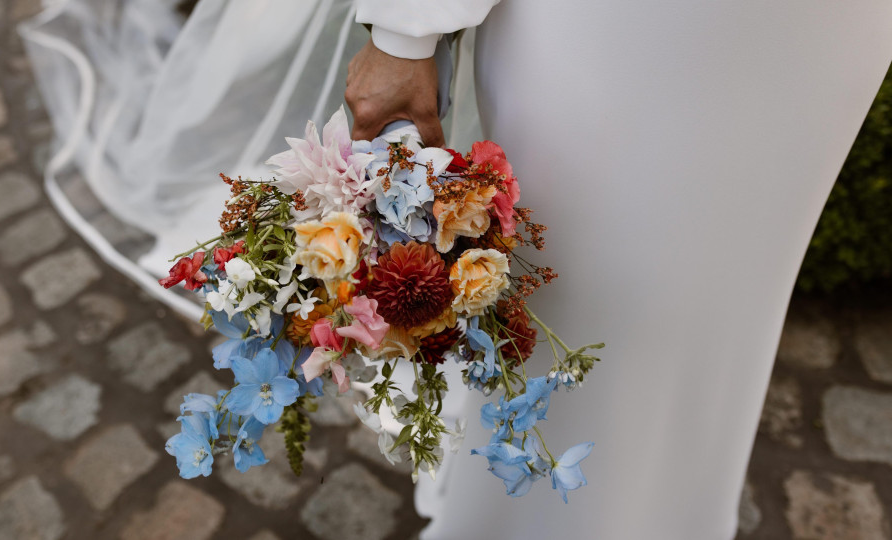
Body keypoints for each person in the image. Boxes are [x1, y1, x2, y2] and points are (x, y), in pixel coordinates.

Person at [346, 1, 892, 539]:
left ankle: (675, 518)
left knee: (725, 318)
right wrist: (405, 30)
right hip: (629, 29)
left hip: (824, 36)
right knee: (580, 299)